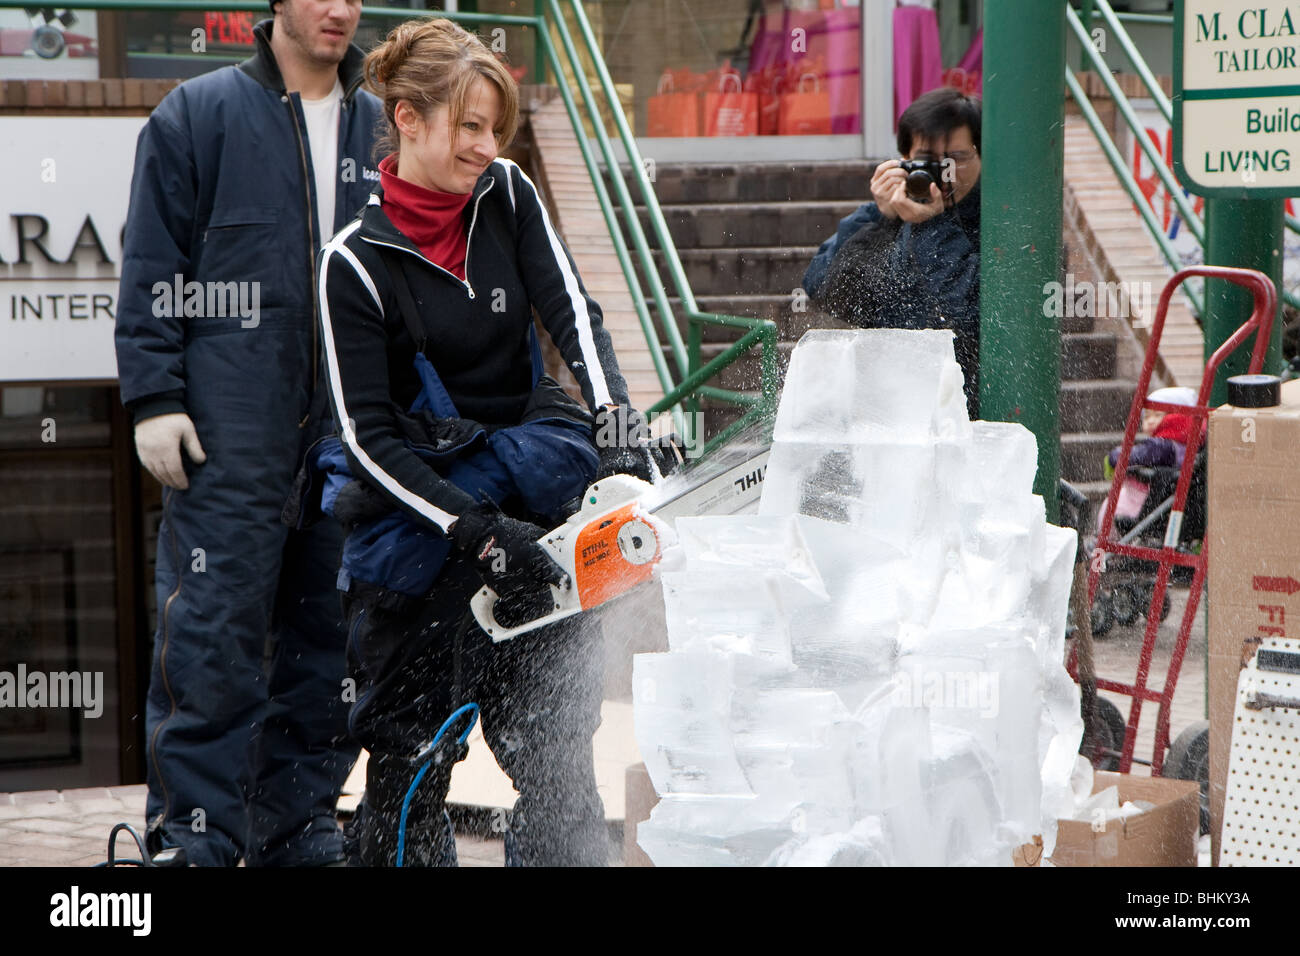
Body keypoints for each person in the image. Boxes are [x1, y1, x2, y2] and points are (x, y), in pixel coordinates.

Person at [314, 17, 655, 866]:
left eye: (493, 127)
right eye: (467, 125)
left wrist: (613, 425)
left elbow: (574, 316)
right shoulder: (352, 263)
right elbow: (366, 438)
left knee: (556, 766)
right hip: (420, 538)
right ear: (408, 118)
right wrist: (474, 532)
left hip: (533, 510)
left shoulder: (506, 193)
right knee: (410, 777)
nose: (483, 146)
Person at [113, 0, 383, 866]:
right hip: (232, 436)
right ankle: (191, 843)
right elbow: (154, 265)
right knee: (213, 642)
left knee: (328, 643)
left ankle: (298, 830)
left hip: (349, 437)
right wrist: (153, 398)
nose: (339, 10)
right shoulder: (197, 116)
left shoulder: (386, 124)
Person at [803, 87, 982, 416]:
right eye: (928, 161)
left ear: (983, 157)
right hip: (888, 408)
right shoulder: (887, 218)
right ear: (904, 160)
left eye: (956, 159)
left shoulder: (997, 220)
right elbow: (821, 287)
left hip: (967, 410)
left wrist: (932, 224)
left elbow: (967, 309)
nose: (944, 174)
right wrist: (881, 216)